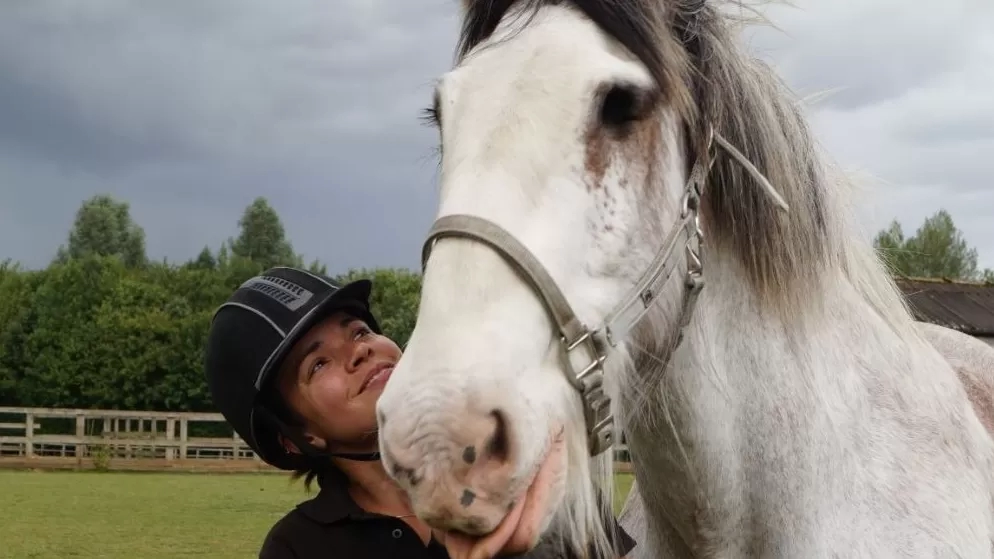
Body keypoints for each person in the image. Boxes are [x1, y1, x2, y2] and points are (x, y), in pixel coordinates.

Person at [204, 266, 636, 559]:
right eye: (317, 364)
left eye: (358, 330)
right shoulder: (299, 547)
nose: (359, 350)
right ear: (295, 438)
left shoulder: (526, 474)